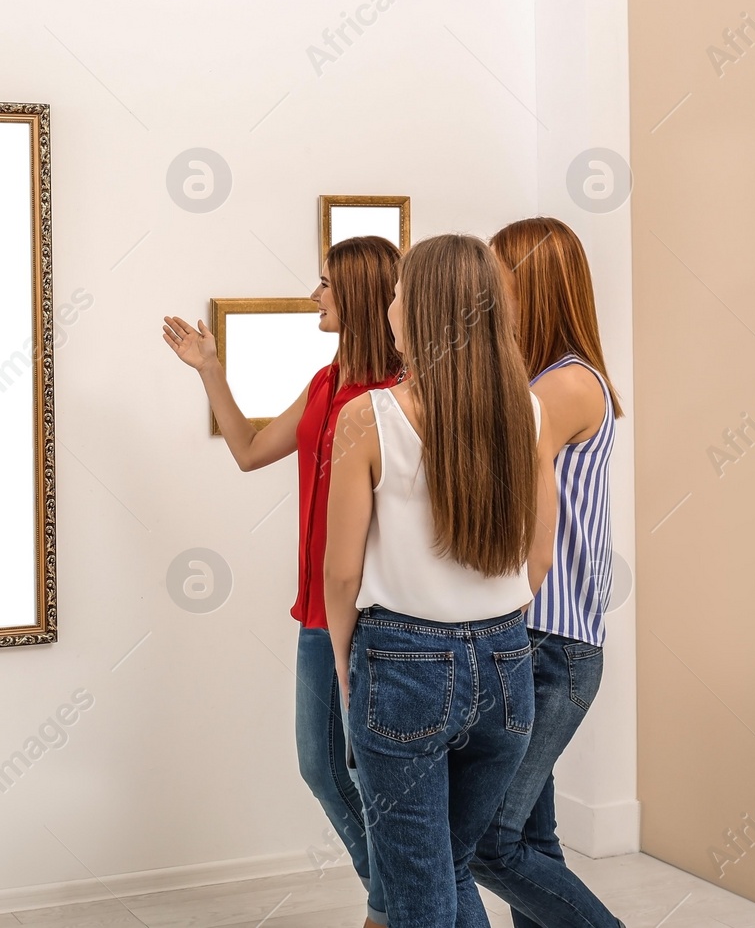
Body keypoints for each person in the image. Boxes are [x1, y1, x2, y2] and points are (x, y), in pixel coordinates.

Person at [163, 236, 402, 928]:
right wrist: (209, 368)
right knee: (323, 768)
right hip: (316, 613)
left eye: (325, 284)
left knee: (373, 777)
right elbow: (246, 450)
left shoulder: (395, 397)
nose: (314, 294)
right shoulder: (326, 386)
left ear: (356, 295)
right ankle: (392, 898)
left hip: (376, 616)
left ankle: (392, 907)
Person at [322, 233, 558, 928]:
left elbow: (341, 572)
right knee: (449, 869)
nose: (388, 303)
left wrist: (344, 660)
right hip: (509, 660)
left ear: (418, 310)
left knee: (418, 891)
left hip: (403, 664)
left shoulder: (368, 418)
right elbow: (539, 553)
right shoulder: (531, 411)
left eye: (396, 293)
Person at [469, 217, 624, 928]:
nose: (490, 291)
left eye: (501, 276)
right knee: (529, 840)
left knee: (487, 844)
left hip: (545, 644)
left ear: (531, 283)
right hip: (545, 640)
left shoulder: (559, 387)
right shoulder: (551, 380)